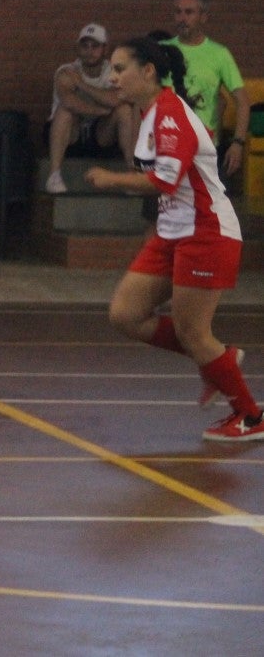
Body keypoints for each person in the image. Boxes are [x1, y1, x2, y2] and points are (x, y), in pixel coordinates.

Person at [84, 36, 262, 442]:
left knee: (192, 330)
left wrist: (112, 179)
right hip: (172, 231)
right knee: (126, 315)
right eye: (112, 69)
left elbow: (165, 179)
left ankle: (251, 415)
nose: (113, 78)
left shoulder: (169, 114)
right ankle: (220, 360)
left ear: (148, 72)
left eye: (120, 68)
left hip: (205, 232)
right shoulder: (148, 113)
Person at [163, 0, 248, 179]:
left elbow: (242, 101)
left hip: (204, 148)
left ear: (204, 17)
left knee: (206, 207)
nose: (182, 18)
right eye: (178, 12)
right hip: (167, 145)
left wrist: (238, 143)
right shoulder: (162, 51)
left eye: (189, 12)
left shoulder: (219, 54)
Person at [44, 23, 135, 194]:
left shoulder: (114, 71)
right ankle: (54, 175)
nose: (89, 51)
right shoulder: (66, 72)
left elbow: (116, 99)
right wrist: (101, 110)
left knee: (124, 111)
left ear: (105, 49)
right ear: (78, 48)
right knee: (64, 112)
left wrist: (82, 85)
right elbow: (69, 102)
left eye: (95, 46)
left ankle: (132, 173)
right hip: (72, 135)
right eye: (84, 46)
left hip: (101, 135)